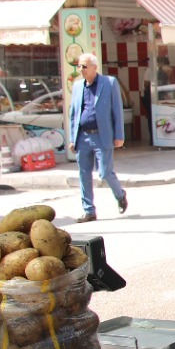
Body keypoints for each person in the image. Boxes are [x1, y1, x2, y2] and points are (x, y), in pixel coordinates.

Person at [67, 53, 128, 223]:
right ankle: (89, 211)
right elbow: (74, 114)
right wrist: (73, 138)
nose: (81, 70)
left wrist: (119, 135)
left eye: (84, 66)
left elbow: (117, 110)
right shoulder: (78, 86)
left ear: (94, 67)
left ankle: (120, 195)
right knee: (84, 174)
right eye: (79, 66)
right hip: (83, 136)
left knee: (105, 172)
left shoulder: (109, 83)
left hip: (102, 135)